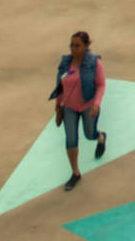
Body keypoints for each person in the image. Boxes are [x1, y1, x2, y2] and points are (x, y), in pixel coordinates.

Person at [49, 30, 106, 191]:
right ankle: (75, 173)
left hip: (88, 106)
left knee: (89, 134)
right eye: (72, 45)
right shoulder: (65, 63)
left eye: (77, 45)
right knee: (71, 139)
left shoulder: (94, 62)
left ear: (86, 46)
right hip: (69, 108)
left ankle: (100, 137)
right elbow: (60, 86)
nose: (73, 49)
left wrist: (97, 103)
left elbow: (101, 84)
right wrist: (58, 106)